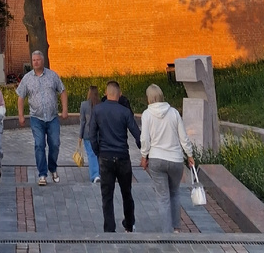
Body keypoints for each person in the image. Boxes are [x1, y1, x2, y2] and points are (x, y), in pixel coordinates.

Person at [139, 84, 195, 234]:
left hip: (157, 159)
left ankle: (166, 232)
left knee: (163, 197)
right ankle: (177, 228)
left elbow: (145, 139)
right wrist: (189, 154)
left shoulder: (147, 114)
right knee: (175, 192)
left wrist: (144, 156)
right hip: (175, 159)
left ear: (149, 98)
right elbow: (184, 137)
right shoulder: (174, 113)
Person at [89, 80, 140, 233]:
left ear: (106, 93)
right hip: (123, 157)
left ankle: (109, 229)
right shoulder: (125, 112)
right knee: (127, 193)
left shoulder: (97, 110)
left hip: (105, 157)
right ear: (119, 95)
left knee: (107, 196)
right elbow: (137, 134)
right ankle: (129, 224)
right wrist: (145, 152)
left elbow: (92, 135)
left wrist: (98, 151)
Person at [16, 50, 68, 186]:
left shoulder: (52, 76)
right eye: (33, 60)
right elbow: (21, 97)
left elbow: (62, 91)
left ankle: (53, 168)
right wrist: (21, 115)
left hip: (52, 118)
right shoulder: (27, 78)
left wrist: (65, 109)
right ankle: (42, 174)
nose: (36, 62)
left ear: (42, 61)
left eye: (38, 60)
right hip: (36, 118)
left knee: (55, 144)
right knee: (39, 145)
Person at [78, 86, 101, 183]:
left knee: (91, 155)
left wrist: (80, 136)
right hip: (100, 134)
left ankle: (95, 175)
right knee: (99, 154)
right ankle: (100, 173)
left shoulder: (84, 105)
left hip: (88, 134)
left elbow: (82, 122)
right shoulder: (101, 105)